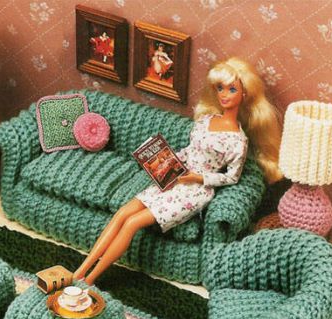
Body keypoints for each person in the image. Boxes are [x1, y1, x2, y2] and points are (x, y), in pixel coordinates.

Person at [74, 57, 282, 285]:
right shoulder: (206, 120)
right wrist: (165, 160)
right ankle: (80, 270)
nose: (224, 95)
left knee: (133, 223)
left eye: (232, 89)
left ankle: (90, 279)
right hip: (174, 176)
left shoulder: (238, 141)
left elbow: (231, 177)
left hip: (193, 192)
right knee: (123, 213)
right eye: (220, 88)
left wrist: (198, 177)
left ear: (245, 94)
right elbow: (190, 150)